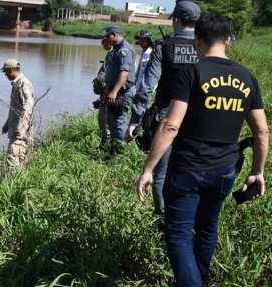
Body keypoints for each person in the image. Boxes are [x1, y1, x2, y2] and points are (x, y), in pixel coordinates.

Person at [135, 14, 269, 286]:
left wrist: (148, 169)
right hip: (225, 169)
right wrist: (258, 172)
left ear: (197, 42)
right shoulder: (247, 77)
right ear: (228, 41)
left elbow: (171, 125)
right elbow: (262, 131)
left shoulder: (192, 72)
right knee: (208, 227)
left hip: (188, 167)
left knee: (179, 233)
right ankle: (197, 278)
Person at [129, 0, 200, 215]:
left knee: (161, 174)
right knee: (190, 172)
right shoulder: (205, 47)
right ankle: (185, 218)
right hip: (196, 119)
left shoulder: (163, 47)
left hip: (166, 117)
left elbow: (147, 88)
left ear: (176, 20)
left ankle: (163, 220)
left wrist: (136, 120)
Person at [101, 25, 136, 150]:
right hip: (115, 90)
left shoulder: (124, 50)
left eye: (106, 36)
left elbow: (124, 73)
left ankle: (120, 150)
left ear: (114, 35)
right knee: (111, 119)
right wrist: (107, 90)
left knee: (119, 121)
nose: (104, 39)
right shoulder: (116, 49)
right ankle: (113, 147)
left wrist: (114, 91)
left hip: (122, 91)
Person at [1, 59, 34, 168]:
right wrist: (7, 124)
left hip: (19, 133)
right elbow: (16, 108)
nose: (5, 75)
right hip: (16, 129)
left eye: (6, 72)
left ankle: (13, 184)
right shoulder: (17, 84)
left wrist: (21, 127)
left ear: (11, 70)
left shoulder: (23, 84)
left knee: (13, 161)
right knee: (19, 161)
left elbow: (28, 106)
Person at [92, 37, 112, 147]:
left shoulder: (115, 54)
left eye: (103, 42)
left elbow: (107, 81)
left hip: (110, 97)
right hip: (104, 97)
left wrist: (103, 99)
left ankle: (108, 146)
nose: (102, 44)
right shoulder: (109, 54)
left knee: (106, 121)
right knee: (102, 121)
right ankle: (104, 143)